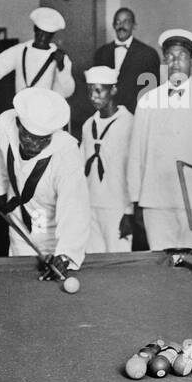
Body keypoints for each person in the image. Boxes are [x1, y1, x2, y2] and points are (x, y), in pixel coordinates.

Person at [125, 29, 192, 250]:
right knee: (162, 268)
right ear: (164, 60)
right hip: (157, 202)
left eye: (181, 56)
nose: (175, 62)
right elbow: (136, 154)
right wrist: (136, 201)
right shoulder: (147, 101)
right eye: (170, 56)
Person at [0, 88, 91, 279]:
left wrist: (65, 255)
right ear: (18, 124)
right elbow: (2, 154)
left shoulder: (67, 154)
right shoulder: (4, 124)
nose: (33, 145)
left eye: (41, 140)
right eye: (27, 136)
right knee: (19, 288)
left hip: (52, 231)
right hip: (19, 223)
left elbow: (75, 209)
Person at [80, 65, 134, 253]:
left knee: (118, 265)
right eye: (89, 91)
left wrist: (129, 212)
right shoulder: (88, 125)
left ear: (113, 90)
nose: (93, 96)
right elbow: (80, 168)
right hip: (90, 206)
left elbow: (133, 170)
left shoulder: (129, 124)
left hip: (117, 208)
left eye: (98, 90)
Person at [0, 6, 76, 98]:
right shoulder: (19, 51)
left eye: (47, 35)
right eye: (40, 32)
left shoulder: (60, 57)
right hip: (21, 108)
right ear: (34, 29)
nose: (42, 38)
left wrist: (61, 68)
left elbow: (67, 92)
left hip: (46, 109)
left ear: (52, 35)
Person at [92, 7, 161, 113]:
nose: (121, 26)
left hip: (136, 115)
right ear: (113, 25)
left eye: (126, 22)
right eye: (118, 22)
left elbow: (153, 93)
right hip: (108, 115)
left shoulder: (148, 54)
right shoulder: (101, 53)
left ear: (134, 25)